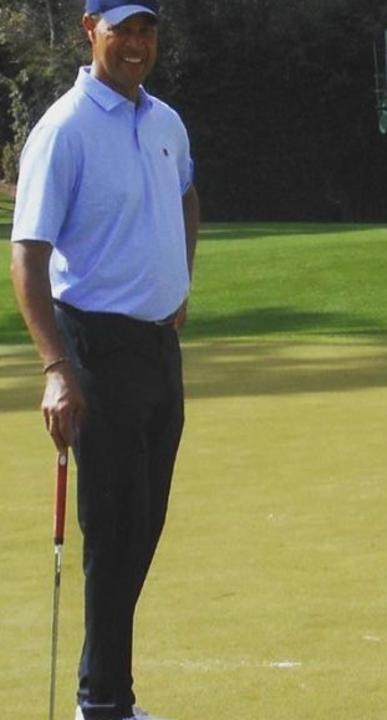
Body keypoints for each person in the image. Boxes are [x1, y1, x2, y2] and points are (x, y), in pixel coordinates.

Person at [9, 1, 199, 717]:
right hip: (93, 346)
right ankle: (104, 701)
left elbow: (186, 194)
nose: (137, 44)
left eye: (147, 30)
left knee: (144, 520)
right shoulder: (63, 130)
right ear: (91, 31)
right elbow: (26, 257)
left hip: (159, 347)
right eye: (122, 30)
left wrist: (181, 276)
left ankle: (106, 695)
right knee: (113, 525)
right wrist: (56, 369)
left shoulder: (166, 122)